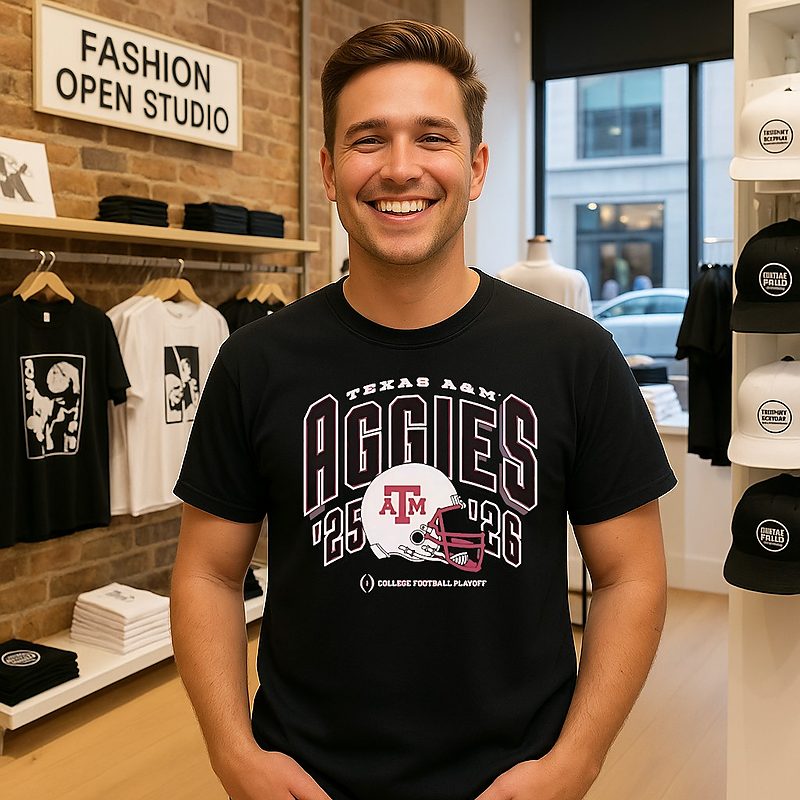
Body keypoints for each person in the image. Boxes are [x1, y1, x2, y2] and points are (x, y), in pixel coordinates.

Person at [170, 20, 676, 800]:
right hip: (306, 777)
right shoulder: (255, 362)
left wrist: (577, 759)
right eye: (368, 139)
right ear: (329, 170)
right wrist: (232, 752)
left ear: (476, 167)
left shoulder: (574, 355)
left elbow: (629, 574)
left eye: (432, 137)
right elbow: (207, 572)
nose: (400, 168)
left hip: (516, 778)